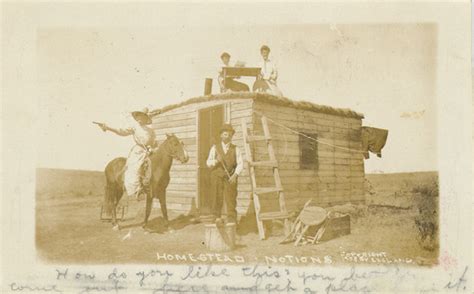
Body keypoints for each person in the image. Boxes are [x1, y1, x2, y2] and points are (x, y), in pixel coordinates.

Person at [96, 108, 156, 201]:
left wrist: (152, 147)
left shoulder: (150, 130)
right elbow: (121, 131)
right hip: (138, 152)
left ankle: (151, 188)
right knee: (135, 168)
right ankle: (138, 190)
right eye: (138, 116)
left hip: (148, 152)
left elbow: (153, 142)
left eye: (142, 116)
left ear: (146, 118)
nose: (139, 118)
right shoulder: (134, 127)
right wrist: (108, 127)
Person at [206, 123, 244, 224]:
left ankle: (232, 222)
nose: (228, 136)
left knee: (231, 199)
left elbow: (240, 164)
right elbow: (208, 163)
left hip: (230, 177)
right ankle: (216, 219)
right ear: (221, 135)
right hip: (217, 176)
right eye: (226, 134)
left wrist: (235, 175)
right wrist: (216, 161)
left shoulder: (236, 149)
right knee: (216, 197)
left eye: (230, 134)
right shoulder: (215, 148)